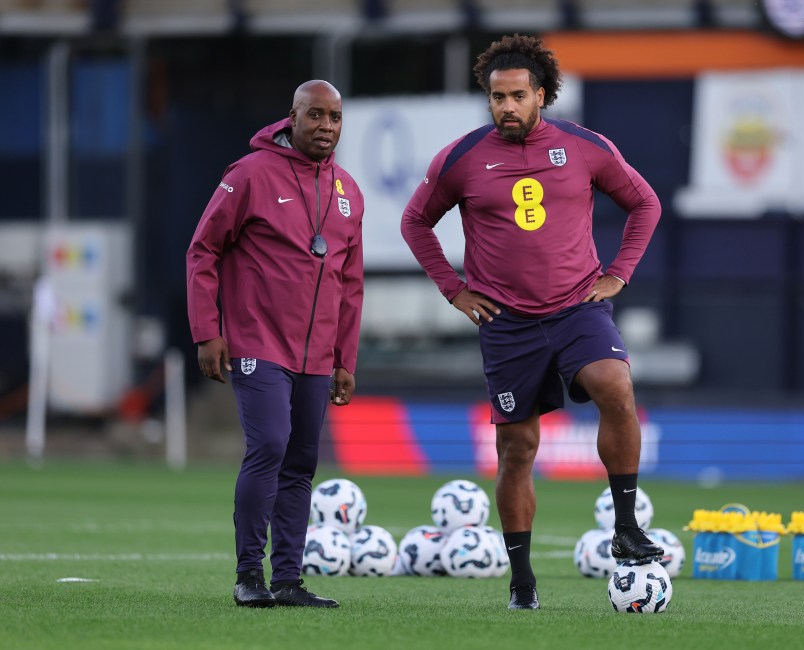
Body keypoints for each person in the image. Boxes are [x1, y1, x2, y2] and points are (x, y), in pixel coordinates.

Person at [401, 35, 663, 610]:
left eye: (518, 96)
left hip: (577, 307)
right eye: (497, 98)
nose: (507, 108)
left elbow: (646, 203)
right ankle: (522, 584)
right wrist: (454, 291)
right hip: (507, 323)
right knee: (517, 449)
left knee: (615, 386)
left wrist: (618, 273)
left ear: (541, 95)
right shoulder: (460, 157)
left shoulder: (584, 146)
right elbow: (415, 222)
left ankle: (625, 525)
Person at [186, 80, 364, 608]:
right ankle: (248, 576)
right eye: (315, 116)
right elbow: (202, 252)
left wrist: (344, 359)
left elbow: (350, 283)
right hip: (257, 342)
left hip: (317, 355)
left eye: (334, 117)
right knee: (269, 446)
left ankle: (287, 580)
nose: (326, 127)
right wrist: (207, 331)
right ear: (291, 116)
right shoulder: (248, 175)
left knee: (302, 462)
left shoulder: (349, 191)